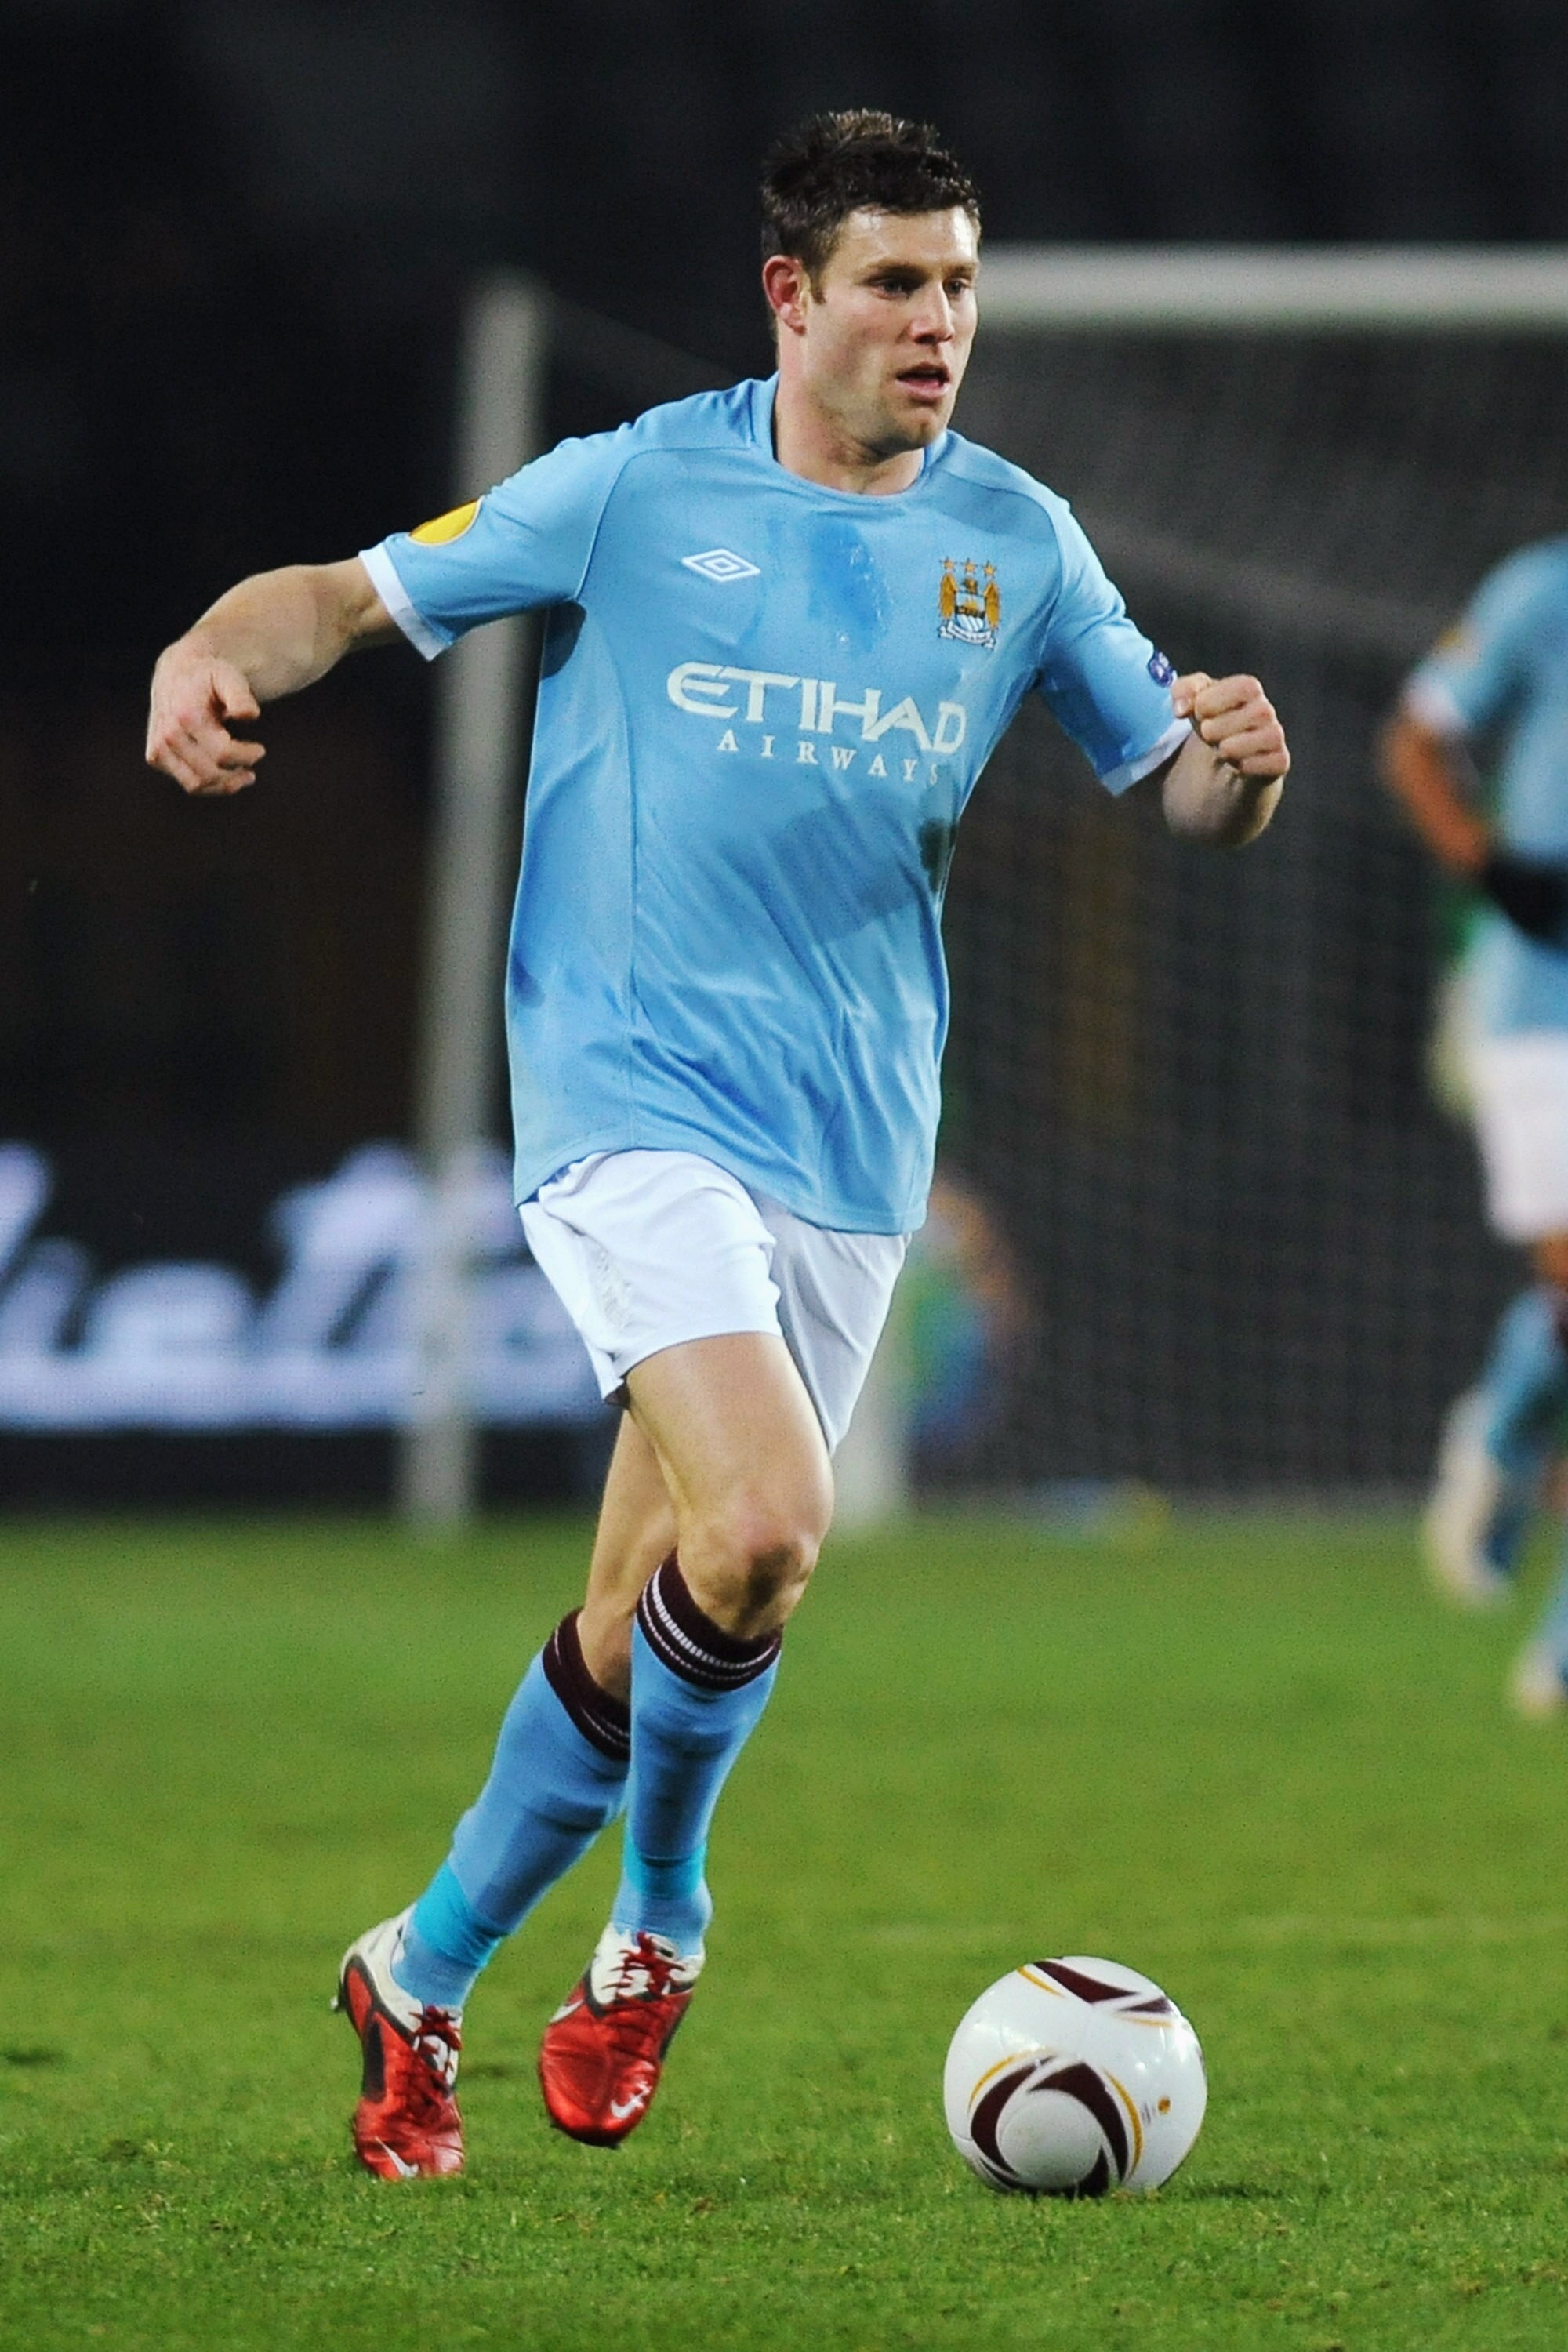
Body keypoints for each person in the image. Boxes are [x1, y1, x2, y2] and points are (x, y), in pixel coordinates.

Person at [145, 111, 1289, 2180]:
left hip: (848, 1139)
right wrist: (219, 650)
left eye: (958, 283)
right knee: (761, 1524)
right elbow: (343, 595)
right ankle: (664, 1921)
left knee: (647, 1606)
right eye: (895, 284)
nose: (939, 323)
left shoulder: (1016, 541)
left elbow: (1178, 792)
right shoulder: (634, 486)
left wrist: (1239, 772)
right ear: (793, 297)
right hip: (621, 1095)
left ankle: (416, 1969)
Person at [1383, 540, 1568, 1718]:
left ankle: (1507, 1416)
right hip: (1542, 1001)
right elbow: (1416, 738)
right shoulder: (1540, 592)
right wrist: (1486, 865)